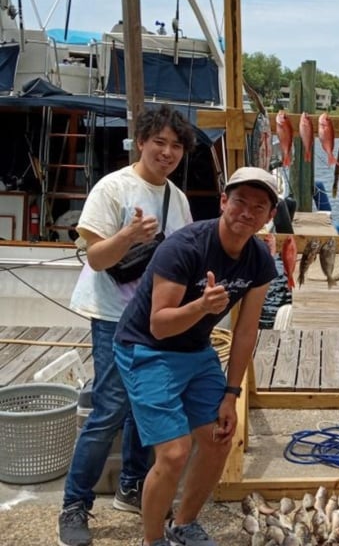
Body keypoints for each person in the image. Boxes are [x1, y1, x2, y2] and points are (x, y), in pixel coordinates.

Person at [113, 166, 279, 546]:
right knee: (173, 454)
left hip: (196, 350)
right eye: (239, 202)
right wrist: (202, 307)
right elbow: (158, 325)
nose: (247, 212)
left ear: (270, 216)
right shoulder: (184, 247)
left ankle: (183, 524)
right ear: (223, 202)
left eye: (259, 206)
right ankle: (152, 540)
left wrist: (231, 394)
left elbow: (246, 331)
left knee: (220, 437)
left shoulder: (259, 260)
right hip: (147, 348)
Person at [58, 105, 195, 546]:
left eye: (176, 145)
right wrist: (129, 237)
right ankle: (75, 504)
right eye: (160, 142)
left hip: (156, 317)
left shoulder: (177, 197)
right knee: (109, 409)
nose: (167, 152)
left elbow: (187, 256)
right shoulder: (112, 188)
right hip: (113, 317)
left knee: (145, 407)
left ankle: (132, 485)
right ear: (141, 142)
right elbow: (96, 259)